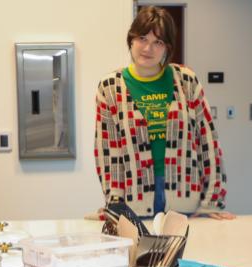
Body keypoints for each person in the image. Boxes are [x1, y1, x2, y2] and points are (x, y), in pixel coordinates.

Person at [94, 6, 234, 219]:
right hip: (134, 201)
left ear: (167, 47)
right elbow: (107, 152)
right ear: (131, 39)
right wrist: (115, 205)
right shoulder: (110, 87)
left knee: (188, 250)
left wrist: (212, 201)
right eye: (142, 38)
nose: (148, 48)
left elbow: (208, 141)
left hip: (184, 196)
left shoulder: (186, 80)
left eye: (158, 42)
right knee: (142, 253)